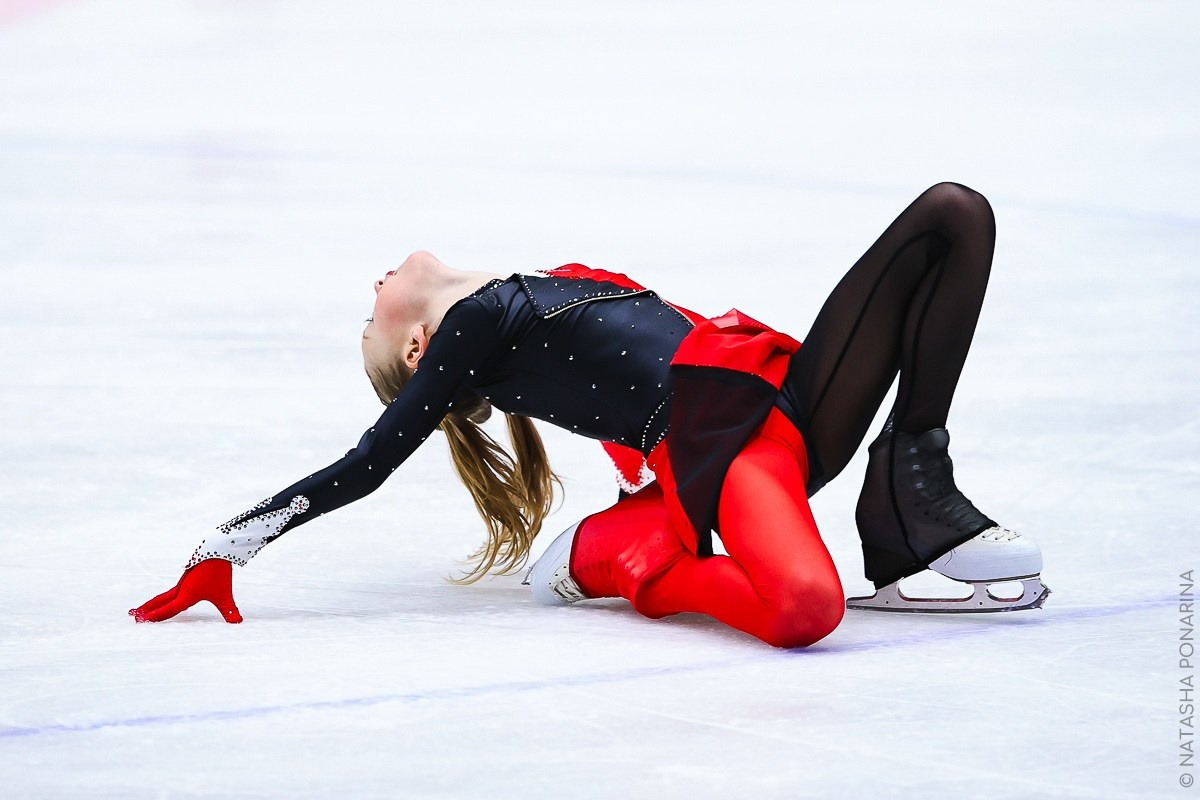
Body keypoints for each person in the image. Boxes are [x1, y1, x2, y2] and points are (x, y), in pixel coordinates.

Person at [131, 182, 1048, 648]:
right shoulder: (474, 326)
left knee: (953, 215)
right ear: (418, 351)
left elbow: (607, 375)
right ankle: (636, 562)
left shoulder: (530, 287)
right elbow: (368, 463)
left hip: (777, 391)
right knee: (805, 609)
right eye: (369, 319)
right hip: (726, 449)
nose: (371, 289)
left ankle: (908, 480)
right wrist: (228, 544)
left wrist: (632, 471)